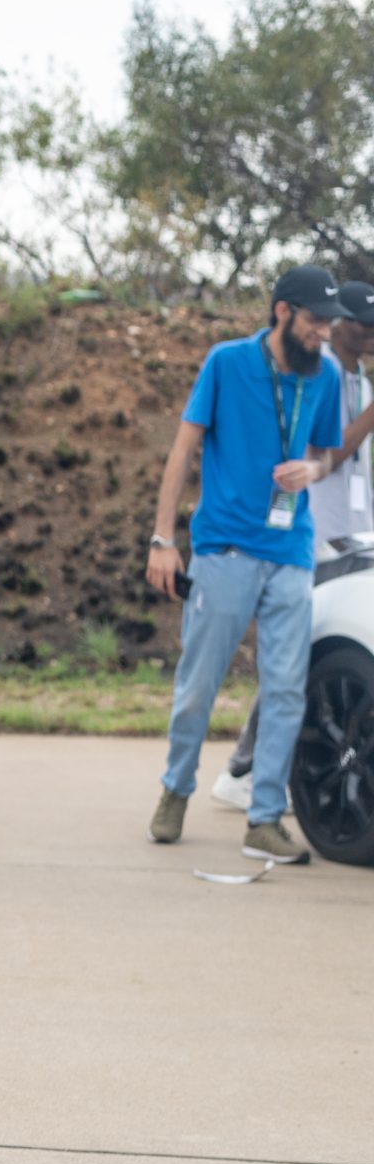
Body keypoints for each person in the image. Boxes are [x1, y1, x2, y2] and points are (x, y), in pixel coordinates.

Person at [147, 265, 374, 861]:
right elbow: (182, 451)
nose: (325, 332)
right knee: (200, 683)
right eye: (316, 320)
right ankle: (175, 789)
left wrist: (314, 470)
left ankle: (265, 815)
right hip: (225, 549)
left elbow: (328, 452)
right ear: (282, 313)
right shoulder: (226, 363)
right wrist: (162, 539)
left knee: (285, 690)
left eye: (330, 321)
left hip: (291, 552)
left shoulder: (322, 374)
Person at [212, 277, 374, 810]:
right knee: (297, 654)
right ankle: (242, 767)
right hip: (315, 531)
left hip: (355, 529)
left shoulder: (360, 380)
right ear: (342, 325)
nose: (371, 333)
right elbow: (329, 453)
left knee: (321, 654)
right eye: (362, 323)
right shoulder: (316, 373)